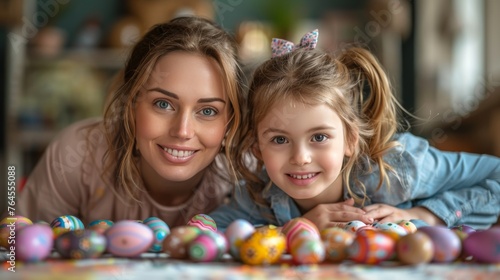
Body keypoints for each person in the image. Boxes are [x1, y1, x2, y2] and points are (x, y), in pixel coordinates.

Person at [210, 30, 500, 231]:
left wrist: (425, 214)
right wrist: (297, 228)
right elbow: (205, 231)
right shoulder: (259, 195)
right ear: (257, 148)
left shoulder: (396, 167)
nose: (301, 157)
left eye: (319, 137)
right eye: (280, 139)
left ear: (350, 138)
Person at [12, 16, 245, 227]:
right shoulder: (78, 155)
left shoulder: (253, 174)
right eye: (163, 104)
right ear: (131, 104)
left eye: (207, 111)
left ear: (231, 120)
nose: (183, 131)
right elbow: (16, 254)